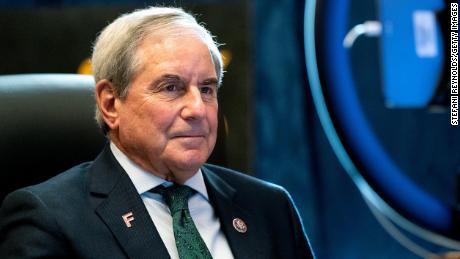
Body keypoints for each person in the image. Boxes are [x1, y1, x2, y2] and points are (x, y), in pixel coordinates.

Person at [0, 6, 315, 259]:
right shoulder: (48, 219)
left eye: (207, 89)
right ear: (110, 103)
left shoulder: (270, 207)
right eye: (171, 87)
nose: (198, 108)